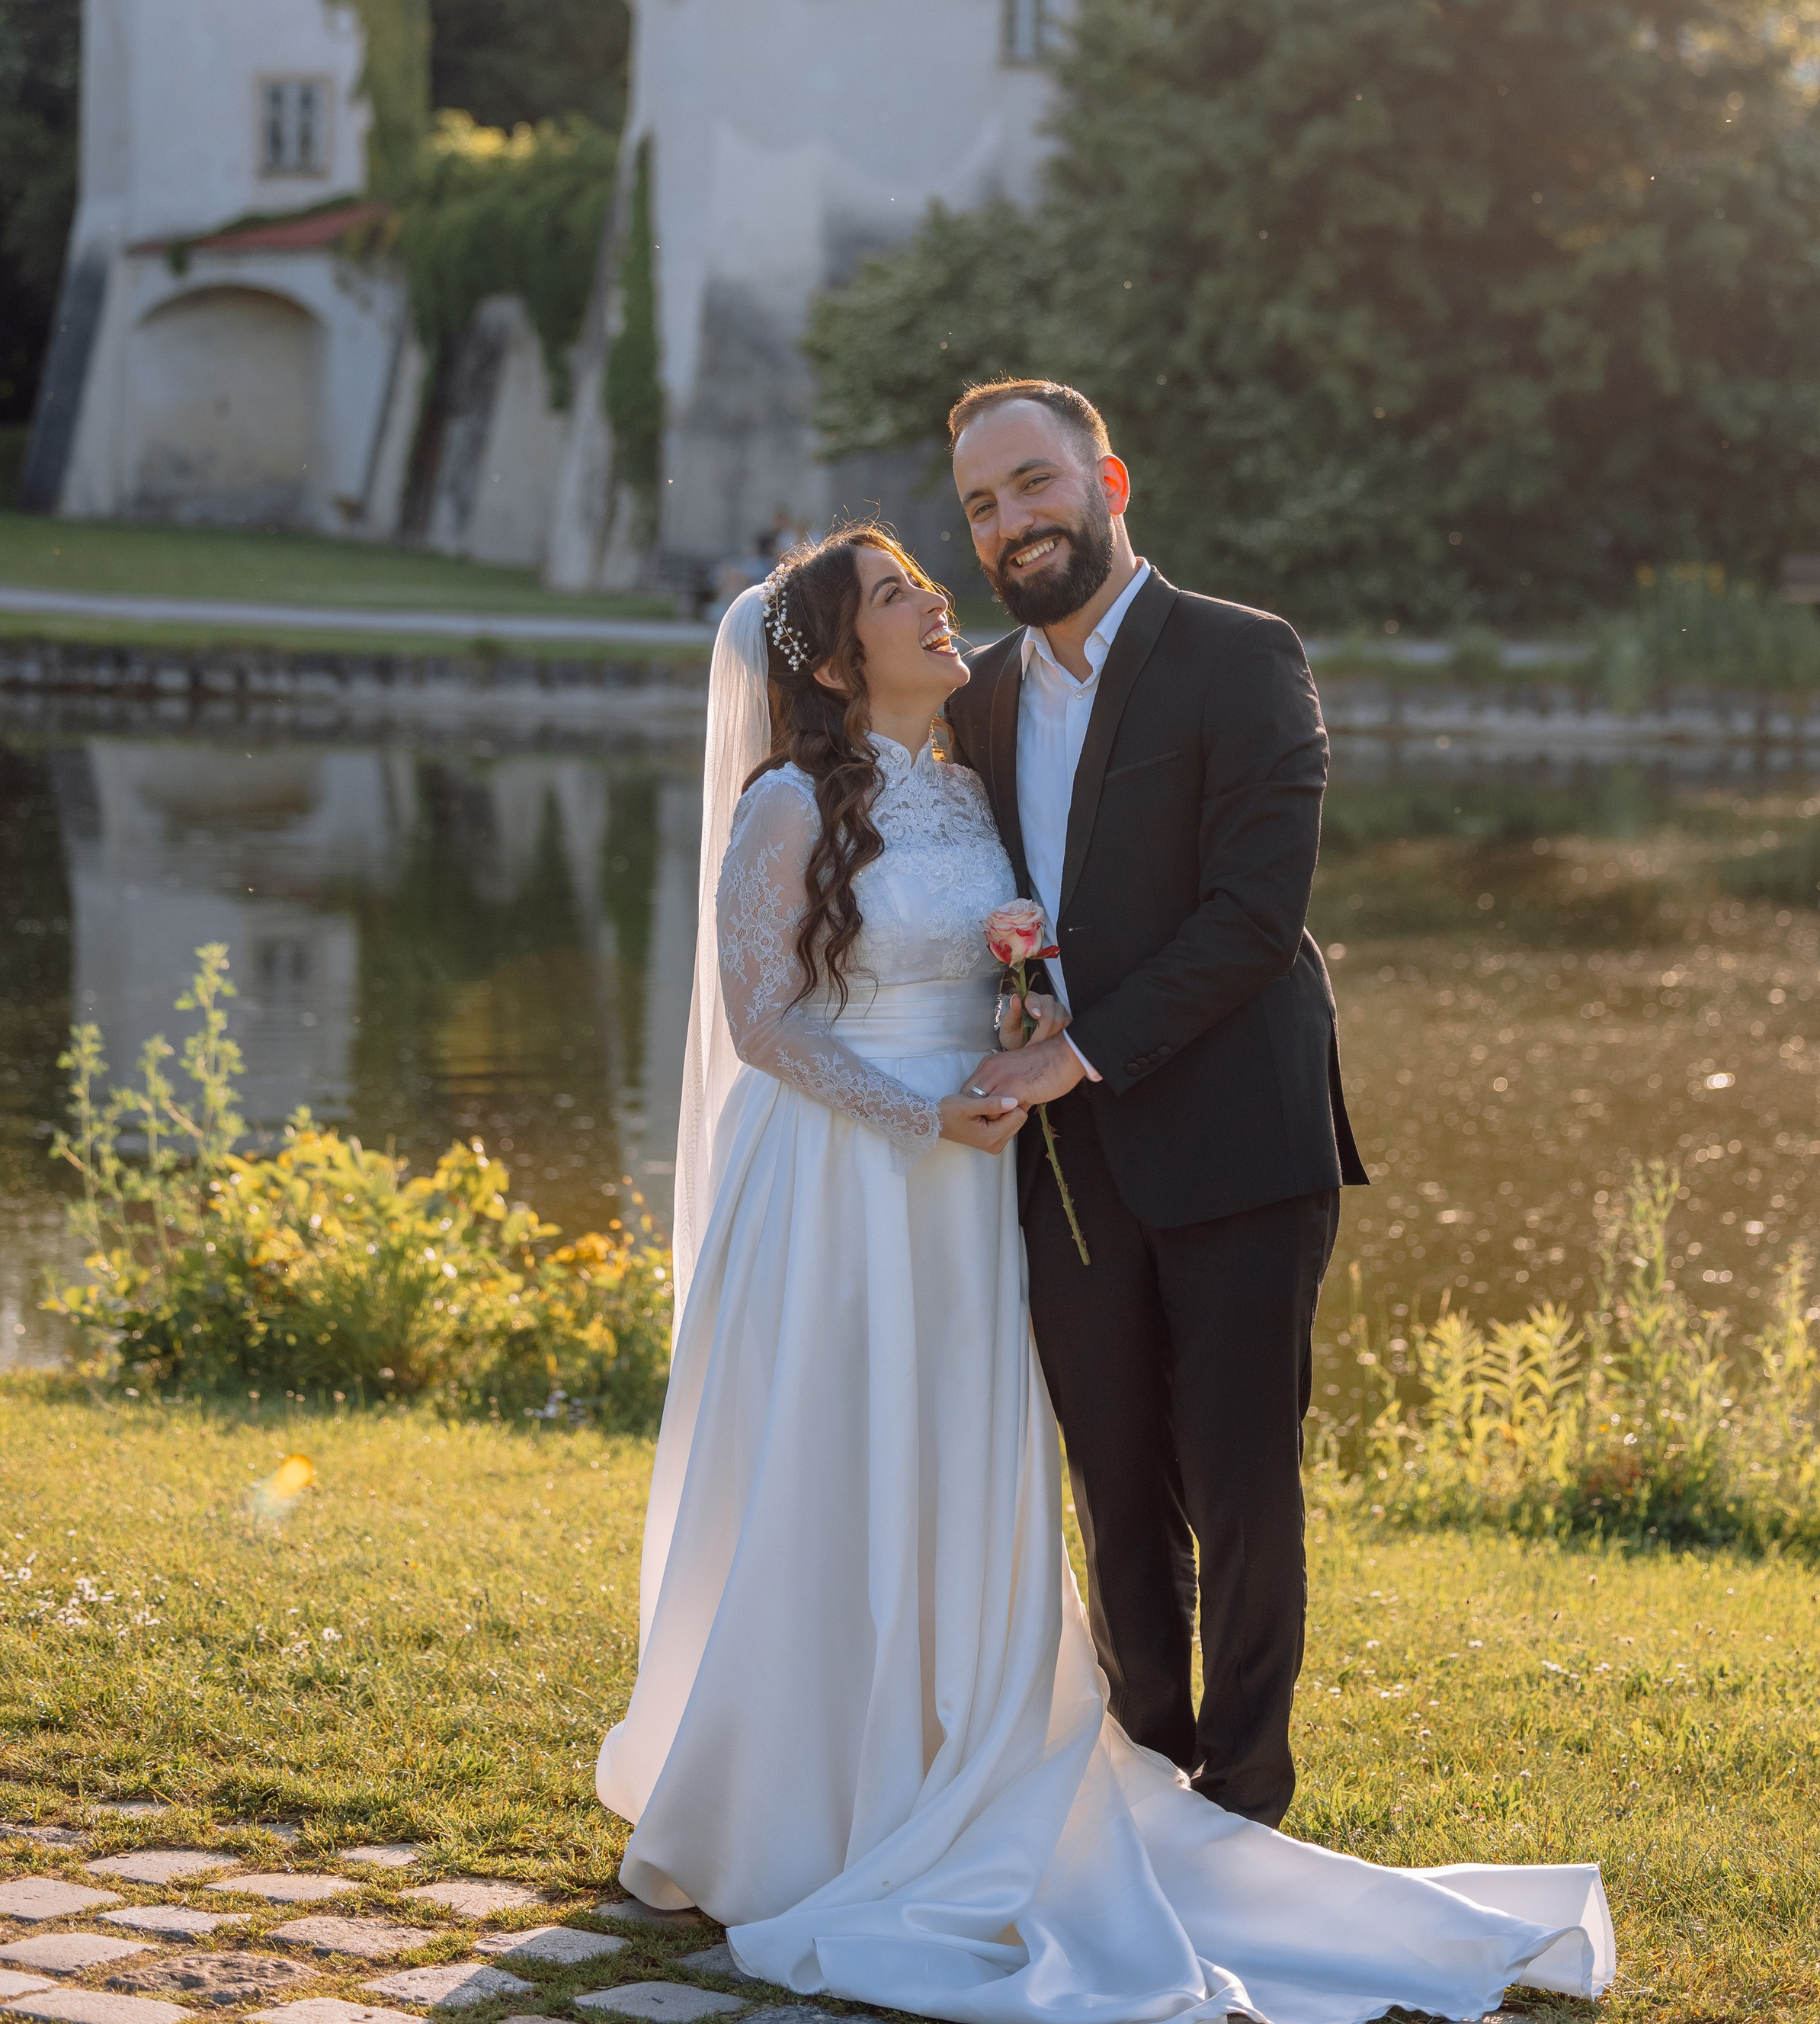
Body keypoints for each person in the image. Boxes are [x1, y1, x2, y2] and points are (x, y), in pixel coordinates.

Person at [596, 522, 1613, 2023]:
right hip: (845, 1180)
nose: (940, 596)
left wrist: (1013, 1036)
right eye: (897, 594)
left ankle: (977, 1740)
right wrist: (919, 1108)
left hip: (975, 1176)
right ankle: (801, 1786)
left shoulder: (960, 772)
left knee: (971, 1464)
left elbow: (1102, 929)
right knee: (834, 1460)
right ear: (832, 651)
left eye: (927, 580)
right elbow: (760, 1021)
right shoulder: (785, 801)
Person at [946, 377, 1356, 1827]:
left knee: (1240, 1487)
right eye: (983, 504)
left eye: (1034, 483)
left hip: (1241, 1134)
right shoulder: (978, 697)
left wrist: (1077, 1049)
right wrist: (1010, 1020)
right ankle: (1146, 1782)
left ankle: (1244, 1799)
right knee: (1114, 1481)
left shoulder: (1242, 655)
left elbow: (1254, 916)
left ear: (1108, 481)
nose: (1011, 522)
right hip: (1069, 1168)